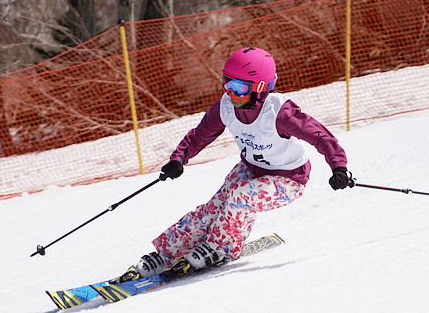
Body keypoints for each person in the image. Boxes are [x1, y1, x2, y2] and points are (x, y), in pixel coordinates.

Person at [120, 46, 353, 281]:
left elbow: (321, 136)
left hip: (289, 179)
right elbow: (199, 136)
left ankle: (220, 247)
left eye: (238, 87)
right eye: (227, 84)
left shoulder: (279, 113)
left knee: (241, 198)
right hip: (250, 169)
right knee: (214, 207)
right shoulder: (226, 107)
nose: (230, 93)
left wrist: (338, 167)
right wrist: (178, 158)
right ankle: (167, 252)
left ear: (261, 88)